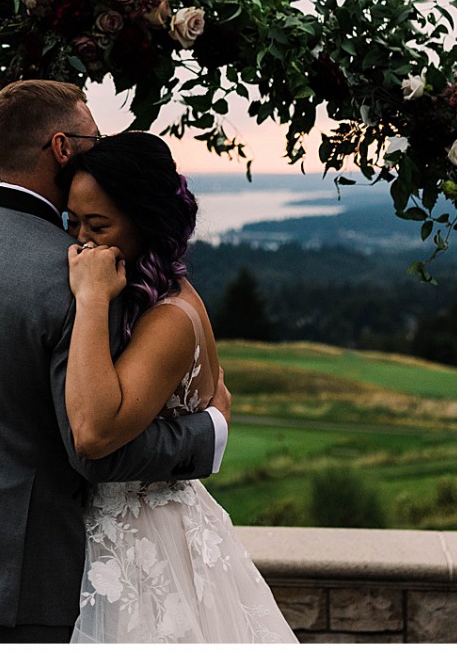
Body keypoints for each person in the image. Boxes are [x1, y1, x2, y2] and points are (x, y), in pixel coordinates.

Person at [0, 81, 231, 642]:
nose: (102, 144)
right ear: (63, 147)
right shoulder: (85, 272)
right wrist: (206, 433)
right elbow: (93, 446)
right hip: (21, 568)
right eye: (94, 137)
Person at [63, 131, 297, 643]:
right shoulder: (153, 299)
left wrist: (90, 298)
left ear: (146, 223)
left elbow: (94, 431)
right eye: (73, 222)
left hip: (148, 547)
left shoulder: (169, 317)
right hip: (118, 537)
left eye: (98, 225)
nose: (81, 242)